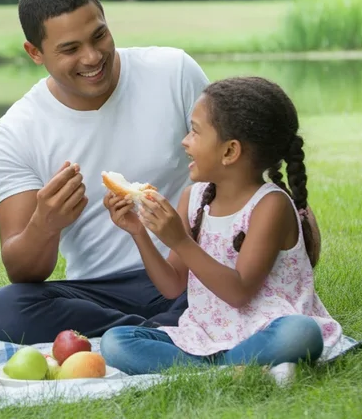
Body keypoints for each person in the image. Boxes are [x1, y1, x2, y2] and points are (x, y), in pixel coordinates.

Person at [0, 0, 209, 344]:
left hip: (186, 272)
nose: (92, 57)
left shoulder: (174, 72)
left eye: (99, 36)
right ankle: (156, 331)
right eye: (70, 49)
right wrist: (46, 223)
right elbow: (22, 271)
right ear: (35, 52)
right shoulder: (18, 129)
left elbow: (233, 171)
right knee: (8, 309)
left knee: (225, 286)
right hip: (97, 290)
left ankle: (144, 332)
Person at [100, 76, 343, 375]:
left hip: (268, 328)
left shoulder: (270, 205)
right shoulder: (194, 198)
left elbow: (239, 292)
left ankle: (223, 367)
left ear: (230, 152)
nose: (185, 141)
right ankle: (235, 368)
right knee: (115, 342)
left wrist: (180, 241)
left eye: (195, 132)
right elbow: (172, 285)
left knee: (301, 333)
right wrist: (138, 232)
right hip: (206, 336)